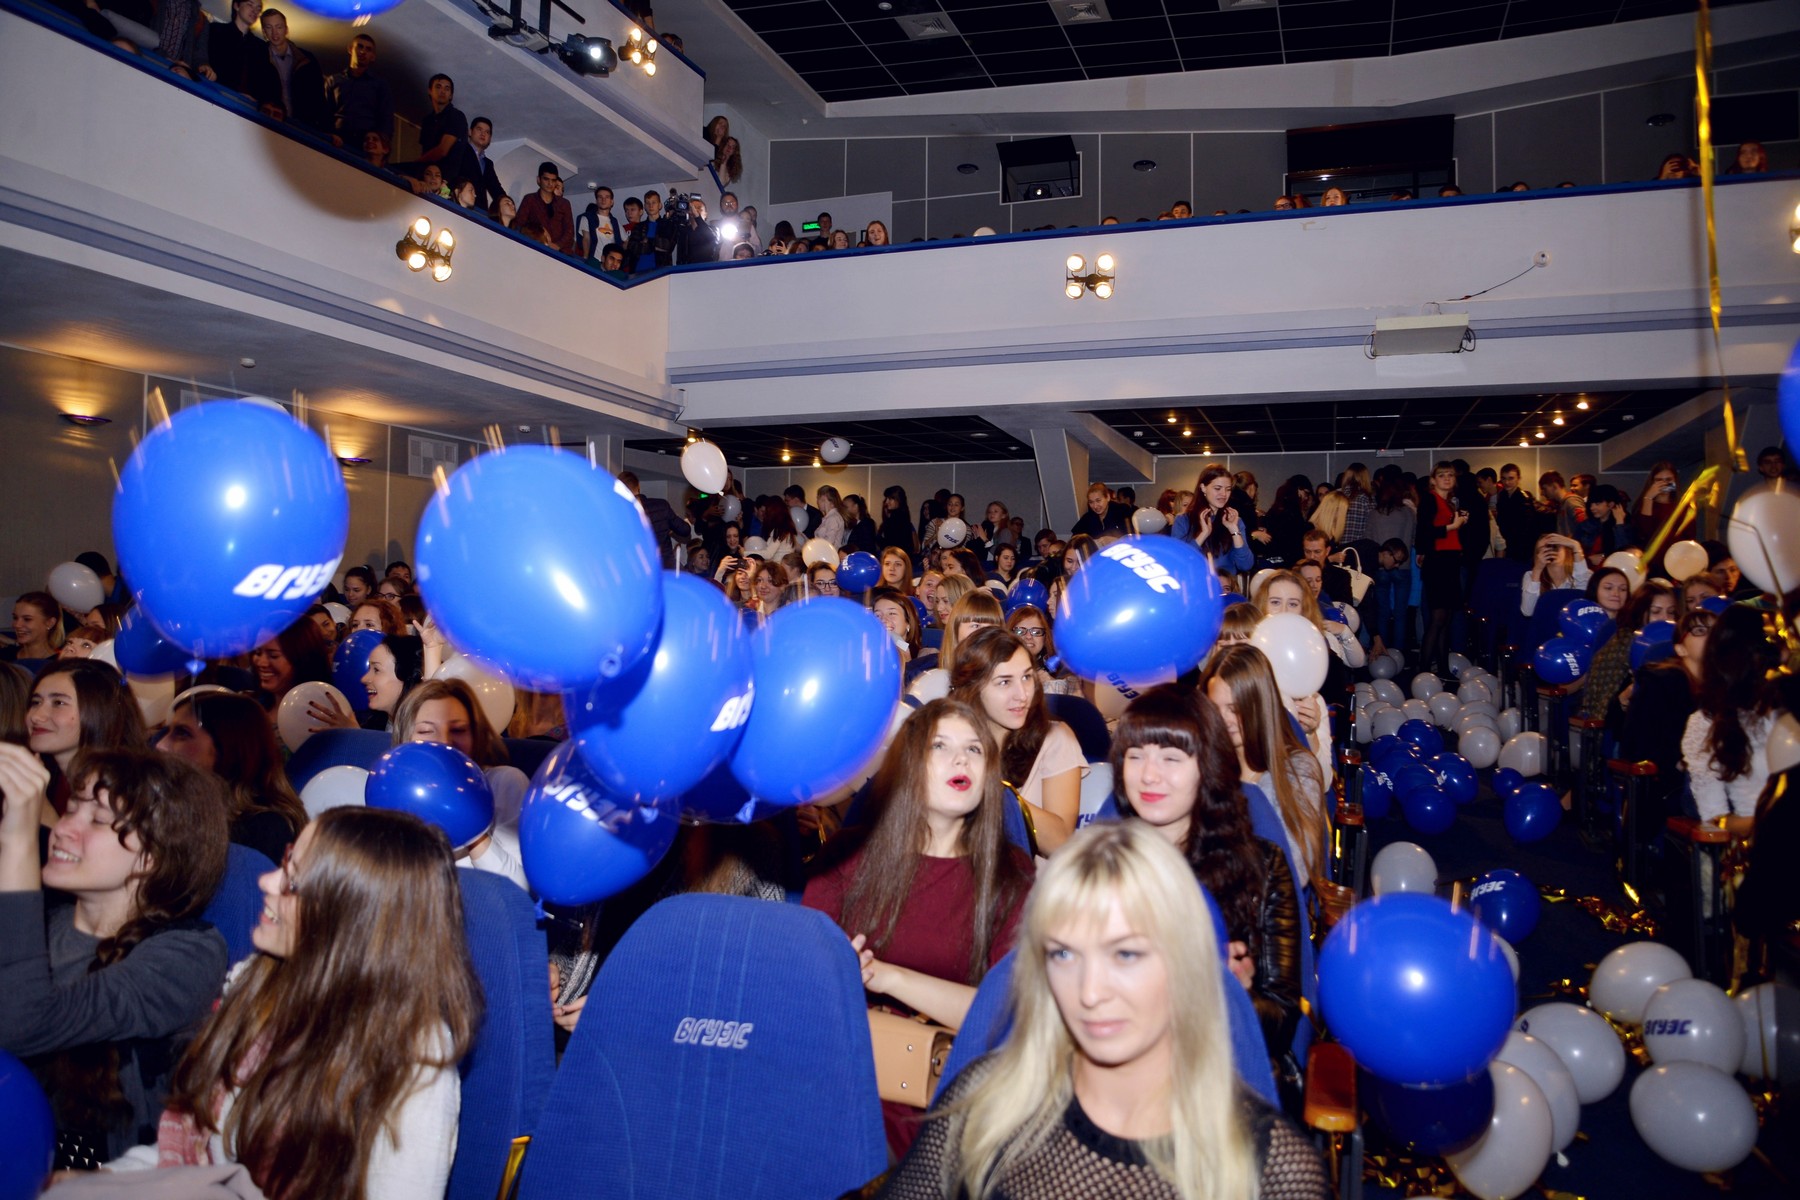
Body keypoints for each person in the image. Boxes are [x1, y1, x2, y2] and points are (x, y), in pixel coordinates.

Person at [876, 820, 1331, 1200]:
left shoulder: (1273, 1171)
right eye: (1064, 954)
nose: (1090, 992)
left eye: (1125, 955)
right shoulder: (985, 1106)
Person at [110, 806, 479, 1196]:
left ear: (350, 922)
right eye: (287, 861)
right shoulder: (258, 981)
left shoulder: (414, 1057)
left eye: (295, 883)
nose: (268, 880)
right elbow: (188, 1151)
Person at [804, 699, 1033, 1157]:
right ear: (910, 764)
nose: (961, 760)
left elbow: (1005, 1015)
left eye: (974, 749)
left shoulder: (1009, 873)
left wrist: (885, 976)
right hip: (836, 1073)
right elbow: (801, 982)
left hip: (941, 1094)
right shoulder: (849, 855)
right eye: (940, 746)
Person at [0, 744, 229, 1164]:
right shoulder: (40, 924)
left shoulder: (187, 951)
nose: (64, 829)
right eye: (71, 809)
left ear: (152, 857)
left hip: (99, 1175)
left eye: (98, 820)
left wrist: (17, 839)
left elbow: (21, 1023)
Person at [1110, 687, 1301, 1062]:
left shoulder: (1262, 867)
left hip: (1220, 1071)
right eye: (1135, 756)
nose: (1149, 775)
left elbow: (1280, 1023)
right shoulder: (1104, 866)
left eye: (1171, 758)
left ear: (1208, 767)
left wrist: (1227, 995)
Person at [950, 627, 1085, 855]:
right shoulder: (949, 742)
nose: (1022, 695)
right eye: (1005, 682)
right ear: (972, 688)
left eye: (1027, 677)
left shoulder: (1055, 738)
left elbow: (1060, 842)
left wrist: (995, 788)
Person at [1202, 645, 1328, 885]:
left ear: (1257, 707)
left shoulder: (1297, 770)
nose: (1223, 720)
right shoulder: (1203, 764)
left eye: (1234, 709)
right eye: (1214, 708)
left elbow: (1296, 869)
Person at [391, 679, 528, 885]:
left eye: (458, 730)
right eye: (426, 731)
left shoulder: (504, 782)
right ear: (405, 740)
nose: (445, 742)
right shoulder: (392, 790)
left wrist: (468, 822)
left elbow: (516, 891)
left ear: (475, 736)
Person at [160, 691, 306, 862]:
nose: (161, 745)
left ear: (228, 749)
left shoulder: (266, 829)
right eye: (167, 732)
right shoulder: (176, 808)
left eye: (182, 733)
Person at [1681, 605, 1780, 834]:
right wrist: (1773, 820)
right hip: (1760, 838)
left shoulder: (1787, 706)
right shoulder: (1707, 723)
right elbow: (1714, 818)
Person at [28, 659, 149, 815]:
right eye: (35, 702)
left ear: (99, 711)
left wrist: (40, 806)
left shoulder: (122, 789)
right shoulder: (47, 774)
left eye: (58, 703)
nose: (36, 716)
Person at [1582, 579, 1677, 723]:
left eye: (1671, 612)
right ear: (1640, 613)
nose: (1666, 619)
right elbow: (1603, 708)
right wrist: (1625, 697)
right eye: (1656, 612)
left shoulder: (1680, 643)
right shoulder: (1624, 642)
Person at [1414, 461, 1470, 676]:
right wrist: (1453, 526)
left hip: (1449, 560)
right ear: (1433, 480)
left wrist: (1459, 525)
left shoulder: (1449, 502)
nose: (1447, 478)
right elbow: (1424, 532)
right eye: (1442, 475)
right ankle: (1424, 671)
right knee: (1438, 618)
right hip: (1439, 562)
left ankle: (1443, 670)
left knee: (1445, 619)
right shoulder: (1430, 499)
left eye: (1450, 475)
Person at [1173, 466, 1255, 574]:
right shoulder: (1183, 520)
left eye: (1228, 489)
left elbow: (1245, 565)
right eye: (1217, 488)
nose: (1224, 494)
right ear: (1203, 488)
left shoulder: (1234, 521)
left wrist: (1234, 531)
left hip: (1224, 582)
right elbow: (1178, 560)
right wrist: (1203, 534)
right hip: (1194, 581)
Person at [326, 33, 393, 154]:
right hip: (337, 140)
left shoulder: (380, 85)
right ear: (350, 49)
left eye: (368, 49)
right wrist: (328, 134)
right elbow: (324, 112)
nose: (363, 52)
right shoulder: (334, 80)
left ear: (373, 57)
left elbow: (386, 119)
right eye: (360, 47)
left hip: (365, 144)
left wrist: (380, 148)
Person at [1006, 605, 1080, 698]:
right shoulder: (999, 665)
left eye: (1036, 632)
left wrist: (1052, 683)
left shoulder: (1062, 665)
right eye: (1020, 631)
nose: (1028, 636)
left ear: (1045, 637)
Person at [1519, 532, 1591, 617]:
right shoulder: (1531, 575)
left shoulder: (1582, 573)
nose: (1550, 550)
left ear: (1565, 549)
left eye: (1555, 546)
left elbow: (1584, 599)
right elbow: (1528, 611)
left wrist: (1576, 547)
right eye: (1544, 548)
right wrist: (1537, 569)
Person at [517, 161, 575, 256]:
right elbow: (519, 224)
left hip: (561, 254)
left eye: (553, 180)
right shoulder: (530, 200)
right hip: (535, 249)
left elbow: (569, 231)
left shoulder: (564, 204)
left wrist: (557, 245)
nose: (550, 183)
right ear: (538, 180)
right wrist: (539, 230)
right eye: (546, 179)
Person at [1494, 463, 1540, 565]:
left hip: (1521, 545)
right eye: (1504, 478)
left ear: (1518, 479)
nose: (1507, 482)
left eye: (1511, 478)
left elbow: (1528, 527)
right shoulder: (1502, 495)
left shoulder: (1524, 499)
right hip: (1506, 542)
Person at [7, 592, 65, 662]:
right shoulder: (5, 655)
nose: (17, 625)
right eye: (15, 618)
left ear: (49, 623)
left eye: (27, 619)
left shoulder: (60, 663)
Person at [879, 486, 917, 556]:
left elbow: (892, 542)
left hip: (897, 556)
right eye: (886, 498)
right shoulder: (903, 515)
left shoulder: (897, 518)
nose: (887, 502)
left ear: (898, 499)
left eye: (890, 499)